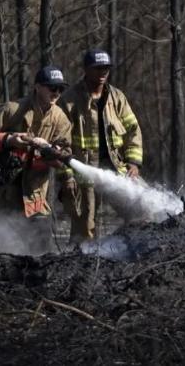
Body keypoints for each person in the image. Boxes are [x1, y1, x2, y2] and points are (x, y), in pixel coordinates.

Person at [0, 65, 72, 252]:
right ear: (37, 87)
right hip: (1, 195)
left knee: (40, 252)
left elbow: (65, 154)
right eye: (52, 88)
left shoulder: (60, 119)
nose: (57, 93)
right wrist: (8, 140)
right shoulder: (11, 110)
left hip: (35, 197)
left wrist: (54, 153)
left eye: (60, 89)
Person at [58, 49, 144, 243]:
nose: (103, 72)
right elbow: (61, 145)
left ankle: (131, 250)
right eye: (98, 68)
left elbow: (133, 130)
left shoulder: (117, 98)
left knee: (139, 210)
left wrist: (133, 163)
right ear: (86, 70)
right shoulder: (70, 101)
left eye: (106, 68)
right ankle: (81, 258)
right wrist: (67, 177)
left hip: (116, 167)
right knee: (85, 228)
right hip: (83, 174)